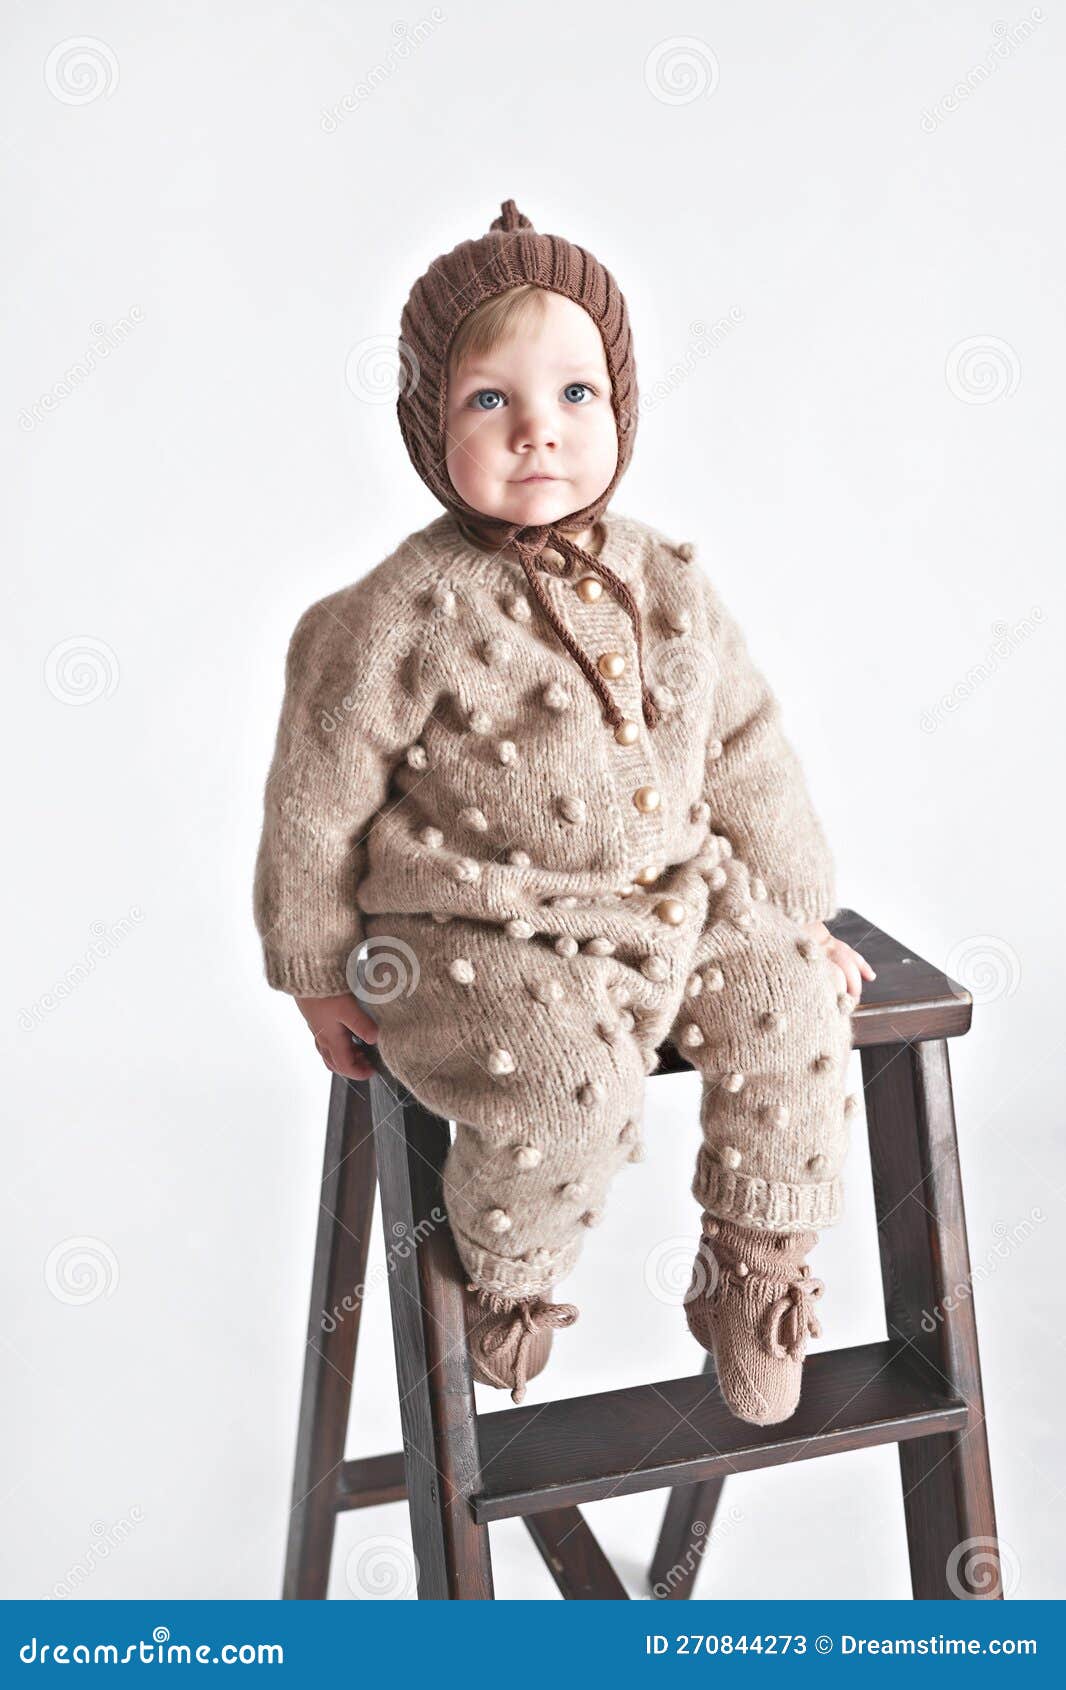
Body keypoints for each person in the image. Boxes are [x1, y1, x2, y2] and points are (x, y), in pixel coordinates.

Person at [253, 200, 873, 1422]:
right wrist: (319, 967)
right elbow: (315, 800)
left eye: (575, 395)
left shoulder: (667, 580)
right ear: (429, 424)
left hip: (673, 892)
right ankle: (511, 1285)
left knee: (792, 1003)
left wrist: (802, 913)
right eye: (492, 401)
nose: (539, 432)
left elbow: (748, 747)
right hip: (473, 922)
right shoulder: (400, 610)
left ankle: (755, 1274)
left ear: (620, 406)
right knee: (554, 1078)